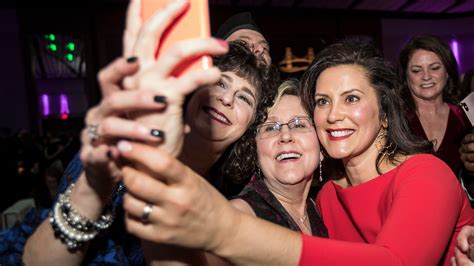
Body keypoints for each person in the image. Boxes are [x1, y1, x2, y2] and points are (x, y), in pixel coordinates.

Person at [117, 39, 474, 265]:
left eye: (351, 98)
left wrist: (229, 231)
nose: (334, 114)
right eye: (322, 101)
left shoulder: (426, 173)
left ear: (384, 112)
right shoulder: (330, 199)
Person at [3, 0, 270, 265]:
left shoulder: (231, 196)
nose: (227, 100)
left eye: (244, 98)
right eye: (219, 83)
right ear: (191, 85)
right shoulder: (122, 147)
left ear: (250, 125)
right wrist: (94, 189)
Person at [229, 79, 327, 237]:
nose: (286, 135)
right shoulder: (239, 215)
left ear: (321, 148)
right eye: (270, 128)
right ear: (254, 150)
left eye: (298, 125)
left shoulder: (319, 210)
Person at [398, 35, 470, 173]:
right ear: (406, 76)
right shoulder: (395, 120)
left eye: (435, 68)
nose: (426, 76)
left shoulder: (464, 117)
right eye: (416, 70)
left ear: (447, 72)